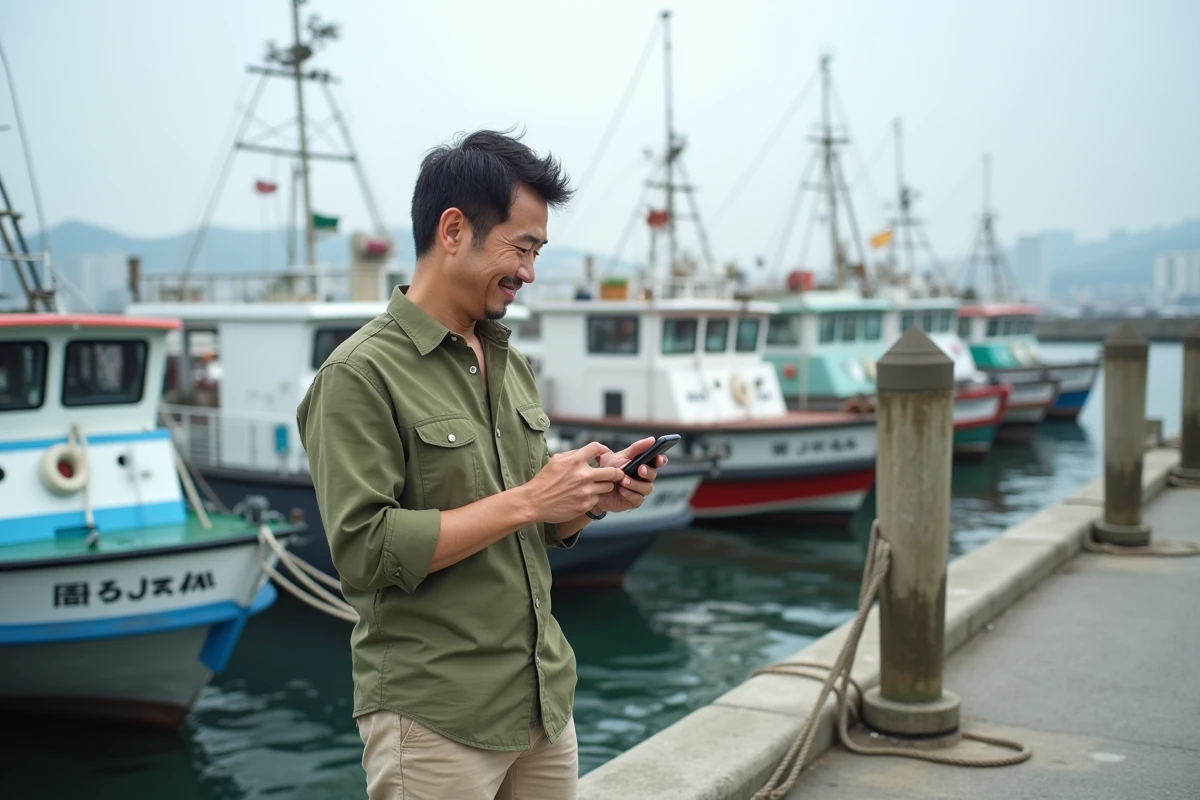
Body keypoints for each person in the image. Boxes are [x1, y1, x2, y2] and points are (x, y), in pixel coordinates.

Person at [296, 129, 667, 800]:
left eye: (536, 251)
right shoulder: (358, 374)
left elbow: (525, 516)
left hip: (541, 698)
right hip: (436, 716)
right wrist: (531, 501)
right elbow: (364, 552)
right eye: (521, 247)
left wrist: (587, 498)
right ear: (453, 229)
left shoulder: (509, 361)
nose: (529, 270)